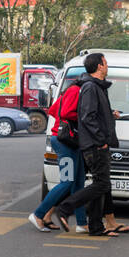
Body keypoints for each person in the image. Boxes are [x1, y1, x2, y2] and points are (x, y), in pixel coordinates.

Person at [56, 53, 121, 237]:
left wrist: (109, 114)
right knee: (101, 184)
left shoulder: (97, 87)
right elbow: (87, 117)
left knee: (100, 184)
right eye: (106, 63)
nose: (107, 66)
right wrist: (101, 141)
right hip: (95, 145)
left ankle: (96, 227)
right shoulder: (91, 87)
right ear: (100, 66)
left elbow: (95, 113)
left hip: (97, 143)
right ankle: (65, 208)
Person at [29, 80, 87, 232]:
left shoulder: (68, 92)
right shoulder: (75, 91)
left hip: (71, 142)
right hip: (65, 142)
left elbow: (53, 110)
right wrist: (82, 115)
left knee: (78, 184)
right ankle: (38, 214)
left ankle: (82, 223)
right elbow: (65, 113)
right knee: (67, 181)